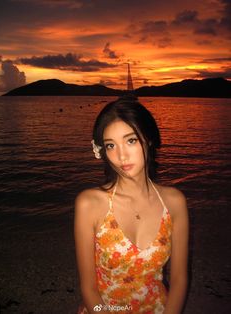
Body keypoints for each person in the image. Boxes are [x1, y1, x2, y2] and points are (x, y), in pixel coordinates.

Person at [74, 97, 189, 314]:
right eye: (110, 145)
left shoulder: (174, 202)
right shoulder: (90, 204)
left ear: (149, 140)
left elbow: (180, 278)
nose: (121, 155)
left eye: (131, 140)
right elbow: (88, 288)